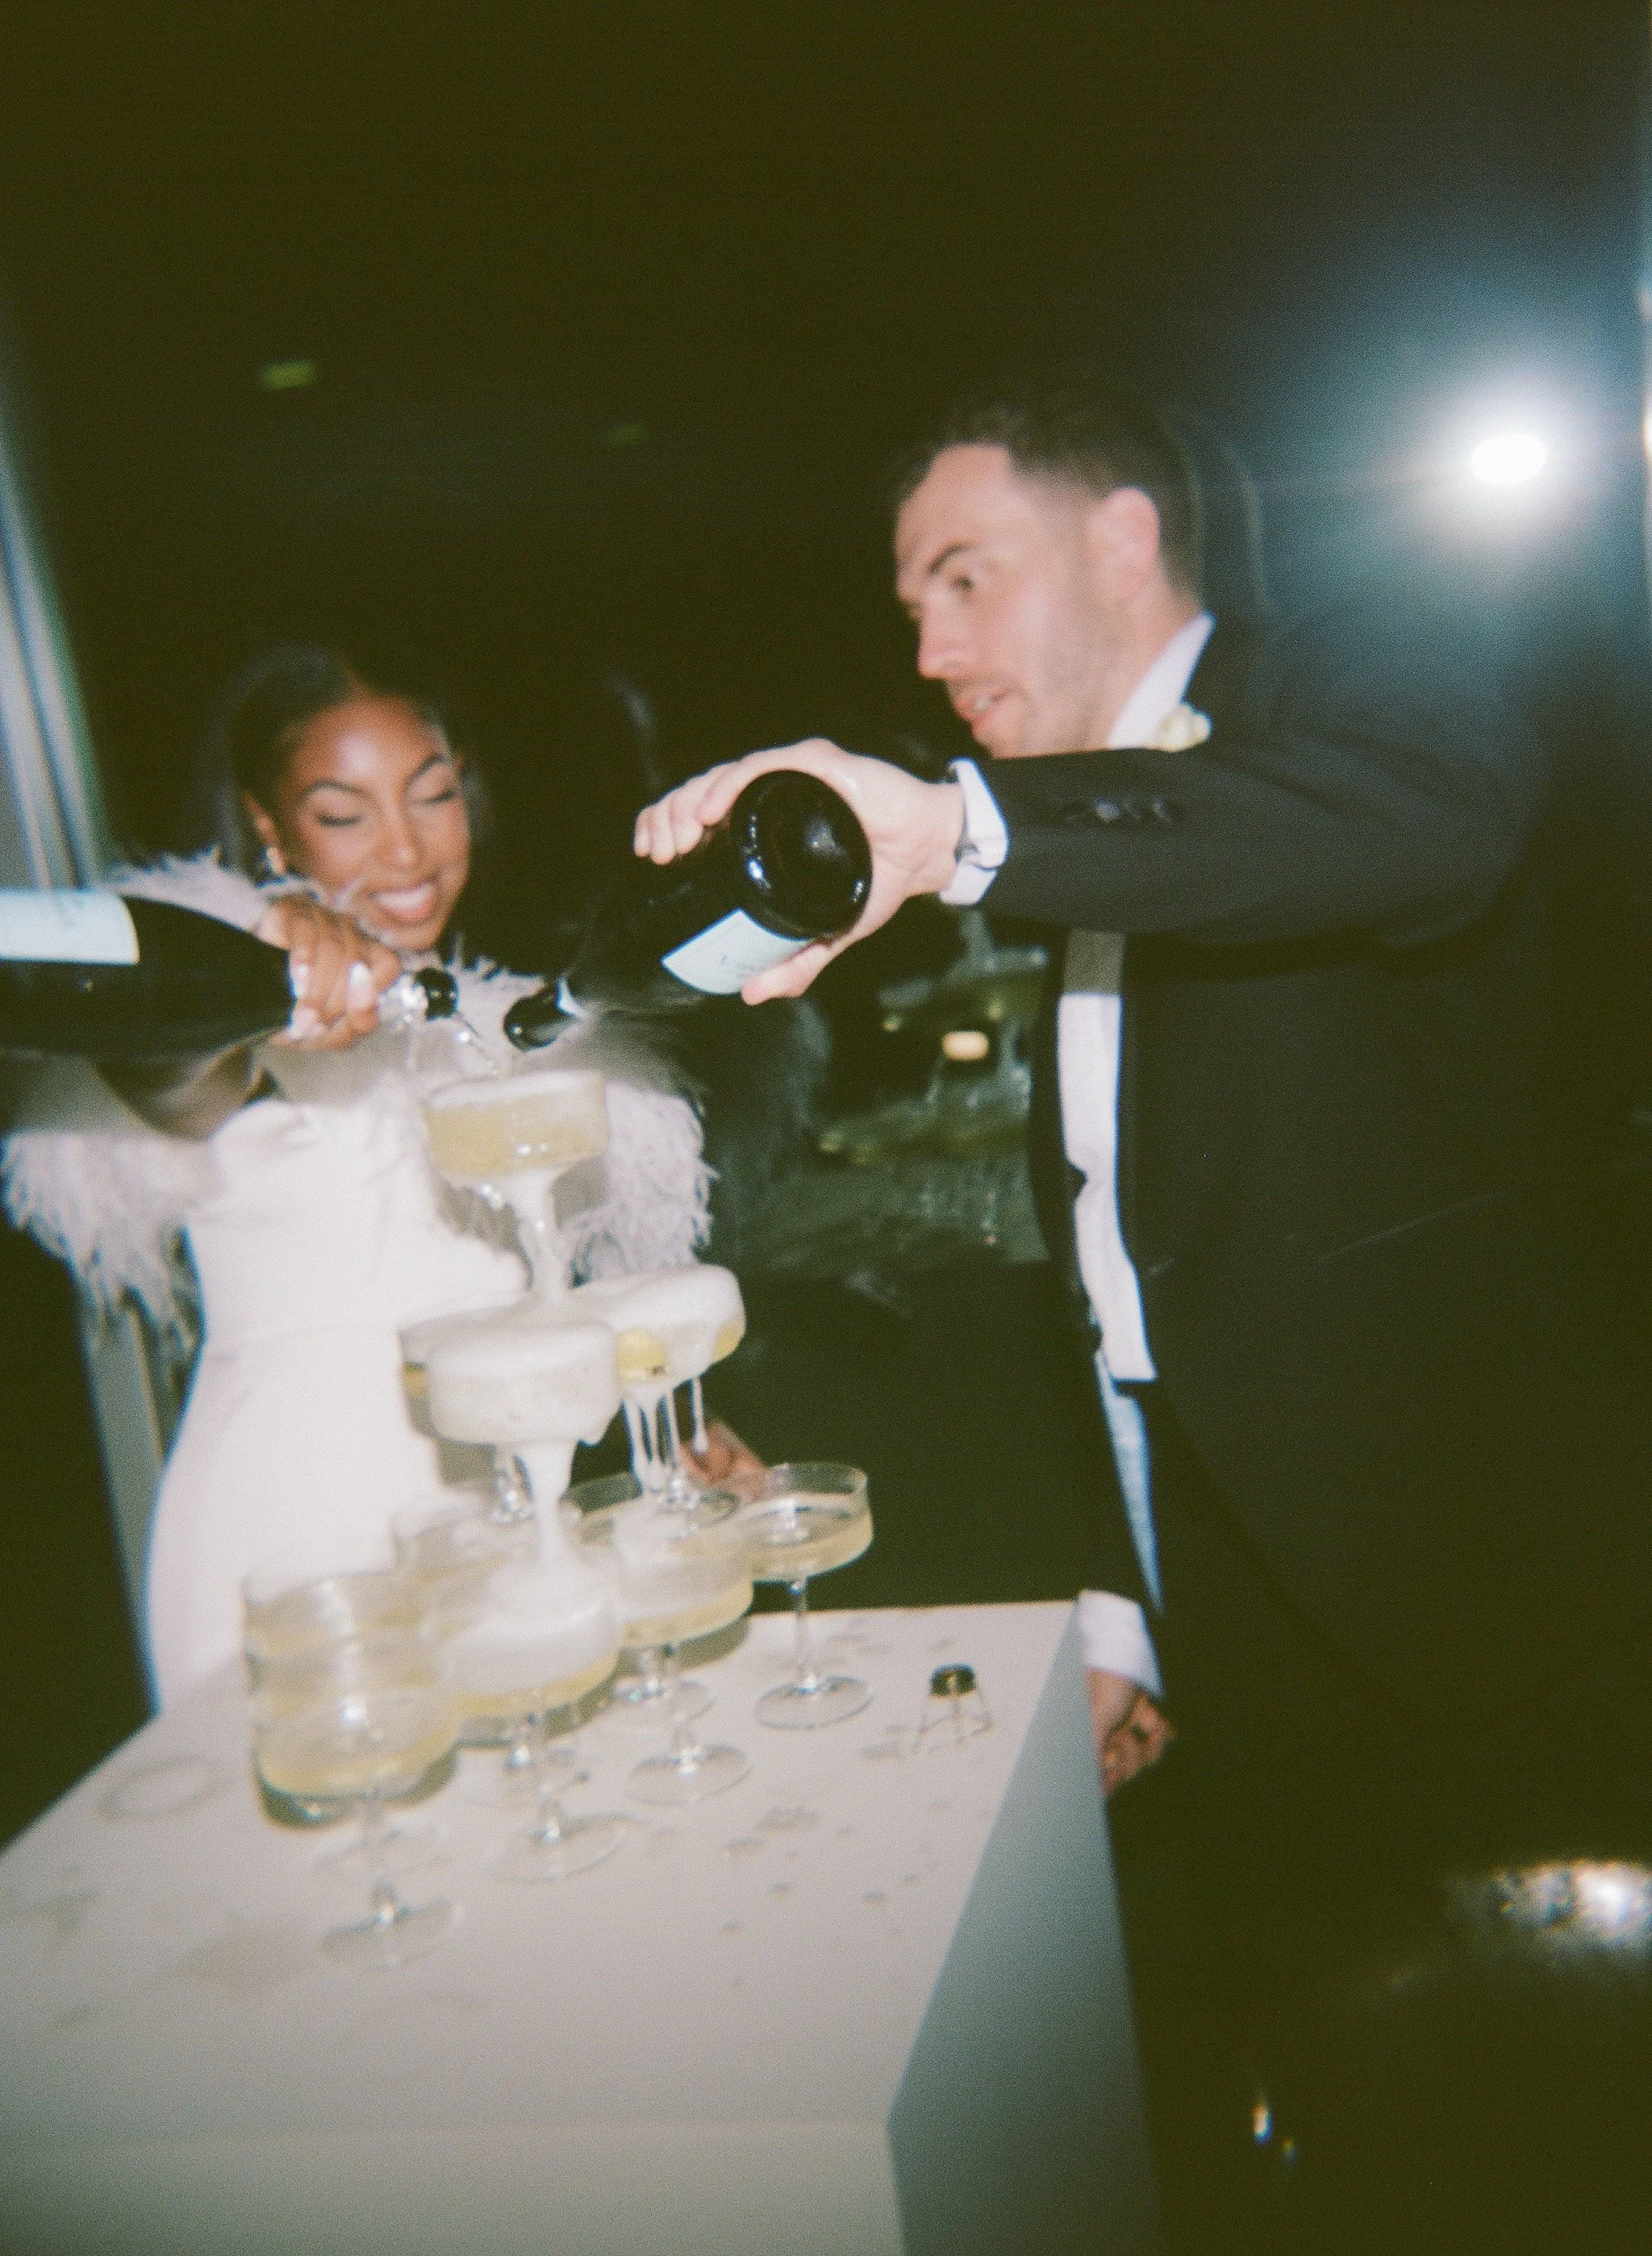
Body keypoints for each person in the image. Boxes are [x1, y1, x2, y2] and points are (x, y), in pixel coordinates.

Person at [632, 378, 1652, 2220]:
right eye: (907, 611)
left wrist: (952, 829)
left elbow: (1423, 825)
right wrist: (1123, 1602)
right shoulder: (1099, 839)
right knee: (1345, 2123)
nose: (932, 648)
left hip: (1479, 1614)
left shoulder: (1356, 674)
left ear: (1120, 538)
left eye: (961, 577)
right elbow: (1120, 1271)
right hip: (1237, 1616)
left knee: (1555, 2151)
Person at [3, 645, 711, 1708]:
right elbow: (166, 1073)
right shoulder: (231, 995)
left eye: (433, 794)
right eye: (346, 815)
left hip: (503, 1510)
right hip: (295, 1533)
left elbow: (538, 1293)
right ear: (270, 825)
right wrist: (255, 964)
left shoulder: (503, 1029)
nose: (406, 848)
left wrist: (676, 1411)